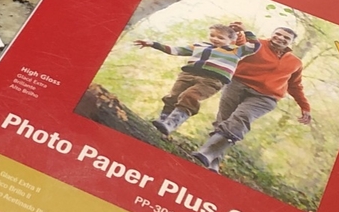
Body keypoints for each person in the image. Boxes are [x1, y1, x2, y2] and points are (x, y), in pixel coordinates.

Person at [191, 26, 313, 169]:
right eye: (278, 34)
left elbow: (295, 86)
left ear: (291, 42)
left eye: (286, 38)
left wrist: (305, 106)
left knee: (242, 118)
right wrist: (239, 32)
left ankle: (206, 153)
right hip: (237, 85)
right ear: (272, 34)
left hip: (266, 97)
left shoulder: (295, 63)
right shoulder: (257, 44)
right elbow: (239, 44)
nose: (281, 38)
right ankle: (213, 162)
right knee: (223, 121)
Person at [134, 23, 256, 136]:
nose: (215, 39)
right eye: (212, 35)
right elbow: (176, 50)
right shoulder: (199, 46)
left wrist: (245, 31)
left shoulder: (235, 51)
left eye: (220, 38)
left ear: (232, 41)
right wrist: (153, 44)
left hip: (211, 81)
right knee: (173, 96)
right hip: (187, 75)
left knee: (190, 96)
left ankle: (171, 123)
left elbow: (254, 46)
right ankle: (163, 120)